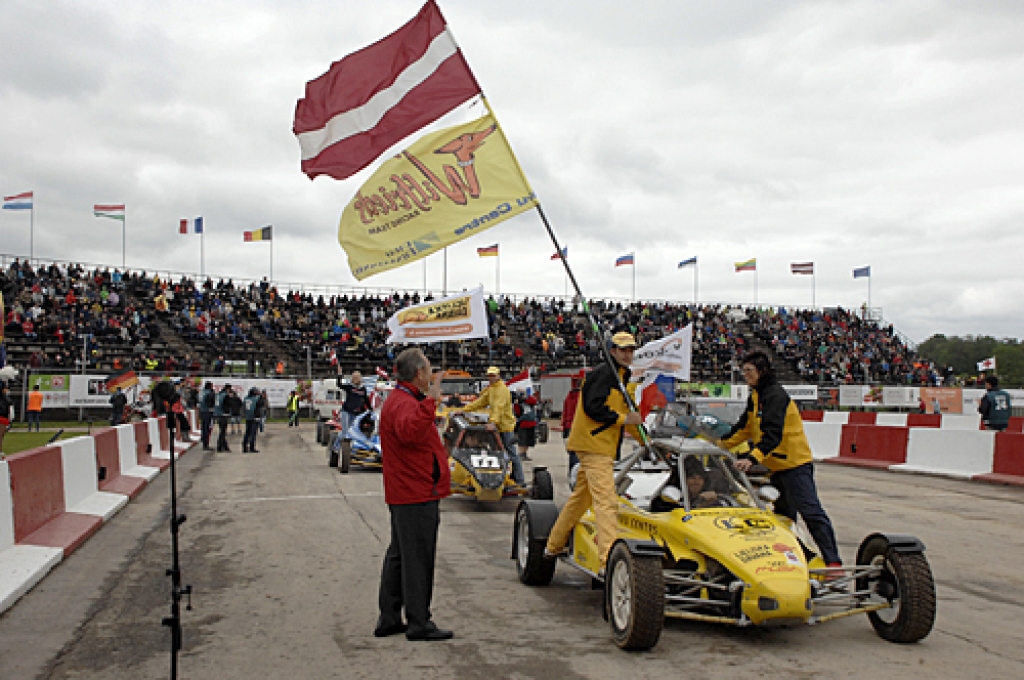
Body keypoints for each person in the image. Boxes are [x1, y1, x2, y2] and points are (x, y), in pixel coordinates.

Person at [725, 351, 843, 570]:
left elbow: (773, 434)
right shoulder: (755, 396)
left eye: (749, 371)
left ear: (762, 371)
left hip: (796, 466)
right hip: (776, 468)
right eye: (744, 371)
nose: (745, 376)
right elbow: (743, 429)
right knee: (783, 520)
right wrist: (716, 445)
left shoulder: (775, 396)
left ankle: (833, 562)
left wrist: (752, 458)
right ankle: (793, 563)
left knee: (811, 512)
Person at [545, 332, 642, 573]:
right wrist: (623, 418)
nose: (627, 354)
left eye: (630, 350)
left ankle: (552, 546)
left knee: (580, 500)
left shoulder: (622, 376)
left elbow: (630, 418)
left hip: (599, 446)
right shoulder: (604, 374)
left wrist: (645, 440)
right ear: (612, 351)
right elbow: (593, 408)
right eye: (622, 350)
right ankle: (607, 562)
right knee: (607, 502)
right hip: (593, 445)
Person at [375, 347, 453, 642]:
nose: (432, 375)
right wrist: (431, 400)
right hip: (415, 492)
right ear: (419, 373)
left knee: (400, 555)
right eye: (429, 370)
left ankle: (390, 616)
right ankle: (419, 622)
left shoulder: (401, 400)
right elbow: (410, 431)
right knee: (418, 558)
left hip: (407, 491)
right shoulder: (407, 403)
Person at [462, 366, 524, 486]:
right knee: (496, 453)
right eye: (489, 375)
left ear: (498, 376)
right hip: (497, 427)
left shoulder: (501, 389)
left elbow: (498, 408)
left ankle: (519, 480)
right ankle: (498, 477)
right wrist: (464, 409)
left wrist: (493, 422)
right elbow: (480, 402)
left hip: (505, 427)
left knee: (511, 453)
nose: (491, 378)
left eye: (493, 375)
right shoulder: (491, 390)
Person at [561, 372, 583, 475]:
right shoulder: (582, 397)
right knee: (578, 452)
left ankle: (571, 472)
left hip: (568, 426)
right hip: (578, 426)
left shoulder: (569, 396)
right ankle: (575, 473)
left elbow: (565, 412)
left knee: (572, 453)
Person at [340, 371, 370, 441]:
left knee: (352, 432)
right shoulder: (349, 387)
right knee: (345, 432)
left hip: (355, 413)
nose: (355, 379)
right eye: (354, 377)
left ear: (360, 378)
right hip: (346, 411)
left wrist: (371, 409)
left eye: (357, 377)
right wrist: (339, 375)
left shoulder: (363, 389)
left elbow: (366, 400)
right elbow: (339, 384)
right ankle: (336, 448)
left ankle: (349, 448)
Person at [516, 395, 539, 462]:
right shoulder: (518, 405)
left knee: (529, 440)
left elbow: (534, 401)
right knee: (522, 440)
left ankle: (524, 453)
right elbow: (517, 413)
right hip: (523, 424)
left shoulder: (530, 402)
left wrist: (525, 396)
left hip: (531, 423)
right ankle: (521, 454)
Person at [243, 387, 262, 453]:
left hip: (248, 417)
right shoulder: (256, 399)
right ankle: (251, 447)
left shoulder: (246, 399)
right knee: (253, 433)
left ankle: (244, 446)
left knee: (247, 432)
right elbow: (261, 404)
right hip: (254, 417)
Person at [198, 381, 215, 451]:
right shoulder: (209, 393)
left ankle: (204, 441)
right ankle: (206, 444)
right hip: (208, 411)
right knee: (208, 428)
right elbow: (210, 402)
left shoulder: (201, 392)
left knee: (203, 427)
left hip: (202, 411)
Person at [215, 384, 231, 452]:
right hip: (223, 414)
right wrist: (227, 413)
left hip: (217, 413)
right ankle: (220, 446)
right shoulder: (225, 396)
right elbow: (226, 405)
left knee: (222, 431)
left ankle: (225, 446)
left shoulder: (218, 395)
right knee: (223, 432)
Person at [0, 384, 13, 455]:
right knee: (1, 436)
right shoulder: (6, 399)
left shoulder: (6, 398)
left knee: (1, 436)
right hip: (2, 418)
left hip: (4, 418)